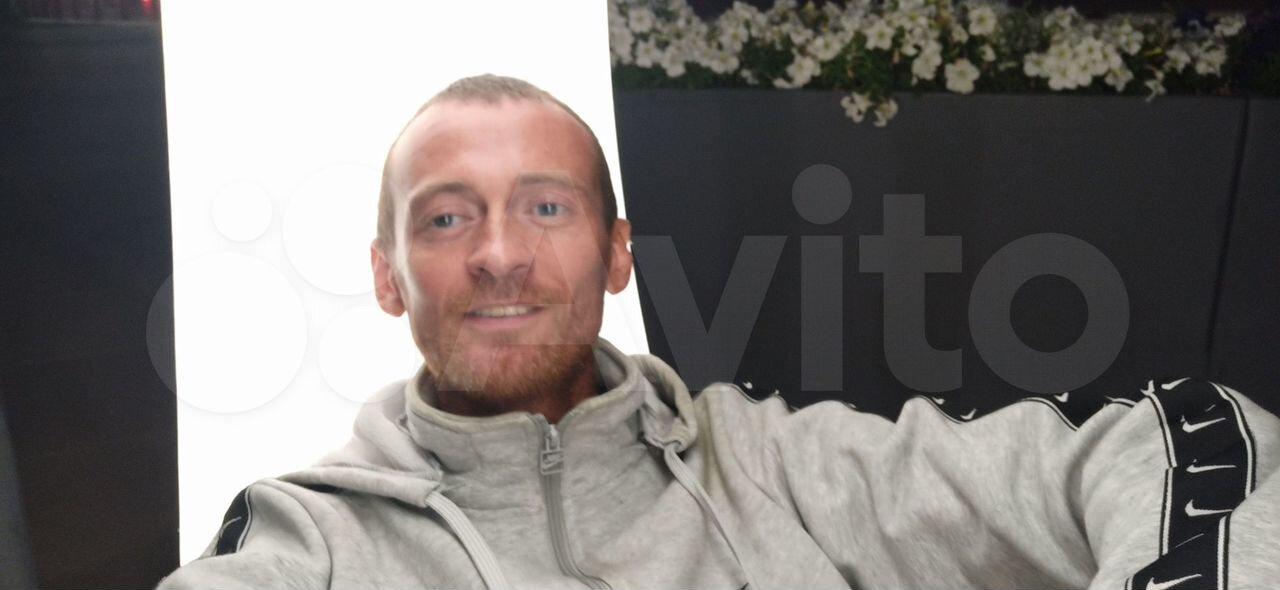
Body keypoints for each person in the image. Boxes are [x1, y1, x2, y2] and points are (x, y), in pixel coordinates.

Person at [157, 74, 1280, 590]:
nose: (498, 252)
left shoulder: (777, 467)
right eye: (447, 217)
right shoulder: (311, 541)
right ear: (387, 277)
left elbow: (1186, 437)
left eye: (545, 207)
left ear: (617, 256)